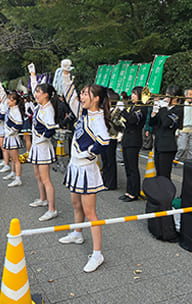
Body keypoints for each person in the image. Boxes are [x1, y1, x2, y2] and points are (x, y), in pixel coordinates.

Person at [59, 68, 111, 272]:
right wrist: (65, 73)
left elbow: (104, 141)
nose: (81, 96)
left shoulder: (98, 119)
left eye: (85, 94)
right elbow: (68, 93)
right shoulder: (84, 112)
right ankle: (77, 233)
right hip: (75, 167)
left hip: (87, 170)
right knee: (75, 203)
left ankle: (98, 254)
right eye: (81, 93)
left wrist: (88, 154)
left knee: (91, 213)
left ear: (96, 98)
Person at [28, 63, 60, 221]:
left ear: (46, 95)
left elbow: (51, 130)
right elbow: (35, 87)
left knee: (46, 178)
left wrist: (40, 139)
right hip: (36, 146)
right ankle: (42, 199)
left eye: (39, 92)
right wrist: (33, 74)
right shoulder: (40, 106)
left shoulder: (48, 109)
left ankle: (52, 209)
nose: (36, 94)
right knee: (37, 175)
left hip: (43, 148)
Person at [118, 86, 147, 202]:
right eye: (132, 94)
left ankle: (134, 192)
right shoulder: (133, 106)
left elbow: (132, 120)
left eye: (134, 94)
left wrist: (123, 110)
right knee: (127, 167)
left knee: (133, 168)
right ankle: (128, 191)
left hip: (134, 140)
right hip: (127, 139)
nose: (132, 96)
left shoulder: (142, 108)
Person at [150, 85, 184, 180]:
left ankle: (166, 194)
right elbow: (153, 124)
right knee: (158, 173)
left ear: (176, 98)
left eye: (168, 96)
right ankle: (158, 193)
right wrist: (154, 112)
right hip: (158, 144)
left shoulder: (178, 110)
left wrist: (163, 108)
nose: (165, 98)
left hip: (168, 146)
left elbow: (166, 123)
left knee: (164, 175)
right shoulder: (163, 109)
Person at [2, 91, 25, 187]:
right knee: (12, 157)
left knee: (16, 159)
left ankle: (18, 178)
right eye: (7, 99)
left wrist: (12, 131)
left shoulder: (16, 111)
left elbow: (19, 123)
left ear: (15, 101)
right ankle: (13, 172)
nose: (8, 101)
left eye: (10, 99)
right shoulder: (10, 109)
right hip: (9, 136)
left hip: (13, 137)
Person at [174, 88, 192, 161]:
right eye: (190, 94)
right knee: (182, 147)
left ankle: (189, 162)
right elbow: (177, 119)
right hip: (183, 129)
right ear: (185, 95)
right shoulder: (181, 106)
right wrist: (176, 131)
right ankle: (176, 158)